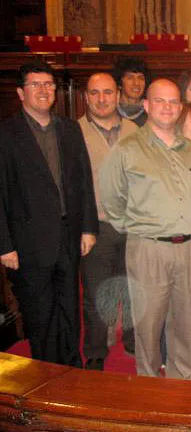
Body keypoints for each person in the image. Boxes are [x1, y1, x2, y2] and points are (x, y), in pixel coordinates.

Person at [100, 78, 191, 380]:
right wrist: (137, 229)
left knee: (186, 320)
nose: (168, 107)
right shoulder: (127, 149)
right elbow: (111, 196)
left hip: (190, 248)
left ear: (181, 107)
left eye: (174, 102)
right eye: (160, 101)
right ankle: (149, 381)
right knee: (148, 322)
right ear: (146, 105)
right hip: (149, 249)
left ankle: (181, 377)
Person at [0, 60, 98, 367]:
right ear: (20, 92)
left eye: (49, 85)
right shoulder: (6, 134)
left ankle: (72, 369)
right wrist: (4, 245)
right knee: (41, 313)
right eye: (35, 85)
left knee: (69, 307)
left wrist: (88, 228)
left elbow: (83, 181)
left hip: (68, 236)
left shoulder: (69, 129)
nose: (44, 91)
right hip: (28, 242)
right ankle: (46, 374)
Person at [79, 72, 139, 370]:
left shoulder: (134, 130)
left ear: (117, 95)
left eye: (107, 92)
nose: (101, 99)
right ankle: (96, 350)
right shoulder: (73, 131)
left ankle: (132, 340)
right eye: (94, 93)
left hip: (132, 225)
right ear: (86, 97)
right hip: (96, 226)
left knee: (131, 286)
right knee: (94, 293)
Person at [112, 57, 150, 126]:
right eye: (130, 78)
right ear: (120, 83)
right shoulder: (110, 111)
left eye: (140, 78)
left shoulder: (152, 112)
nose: (136, 83)